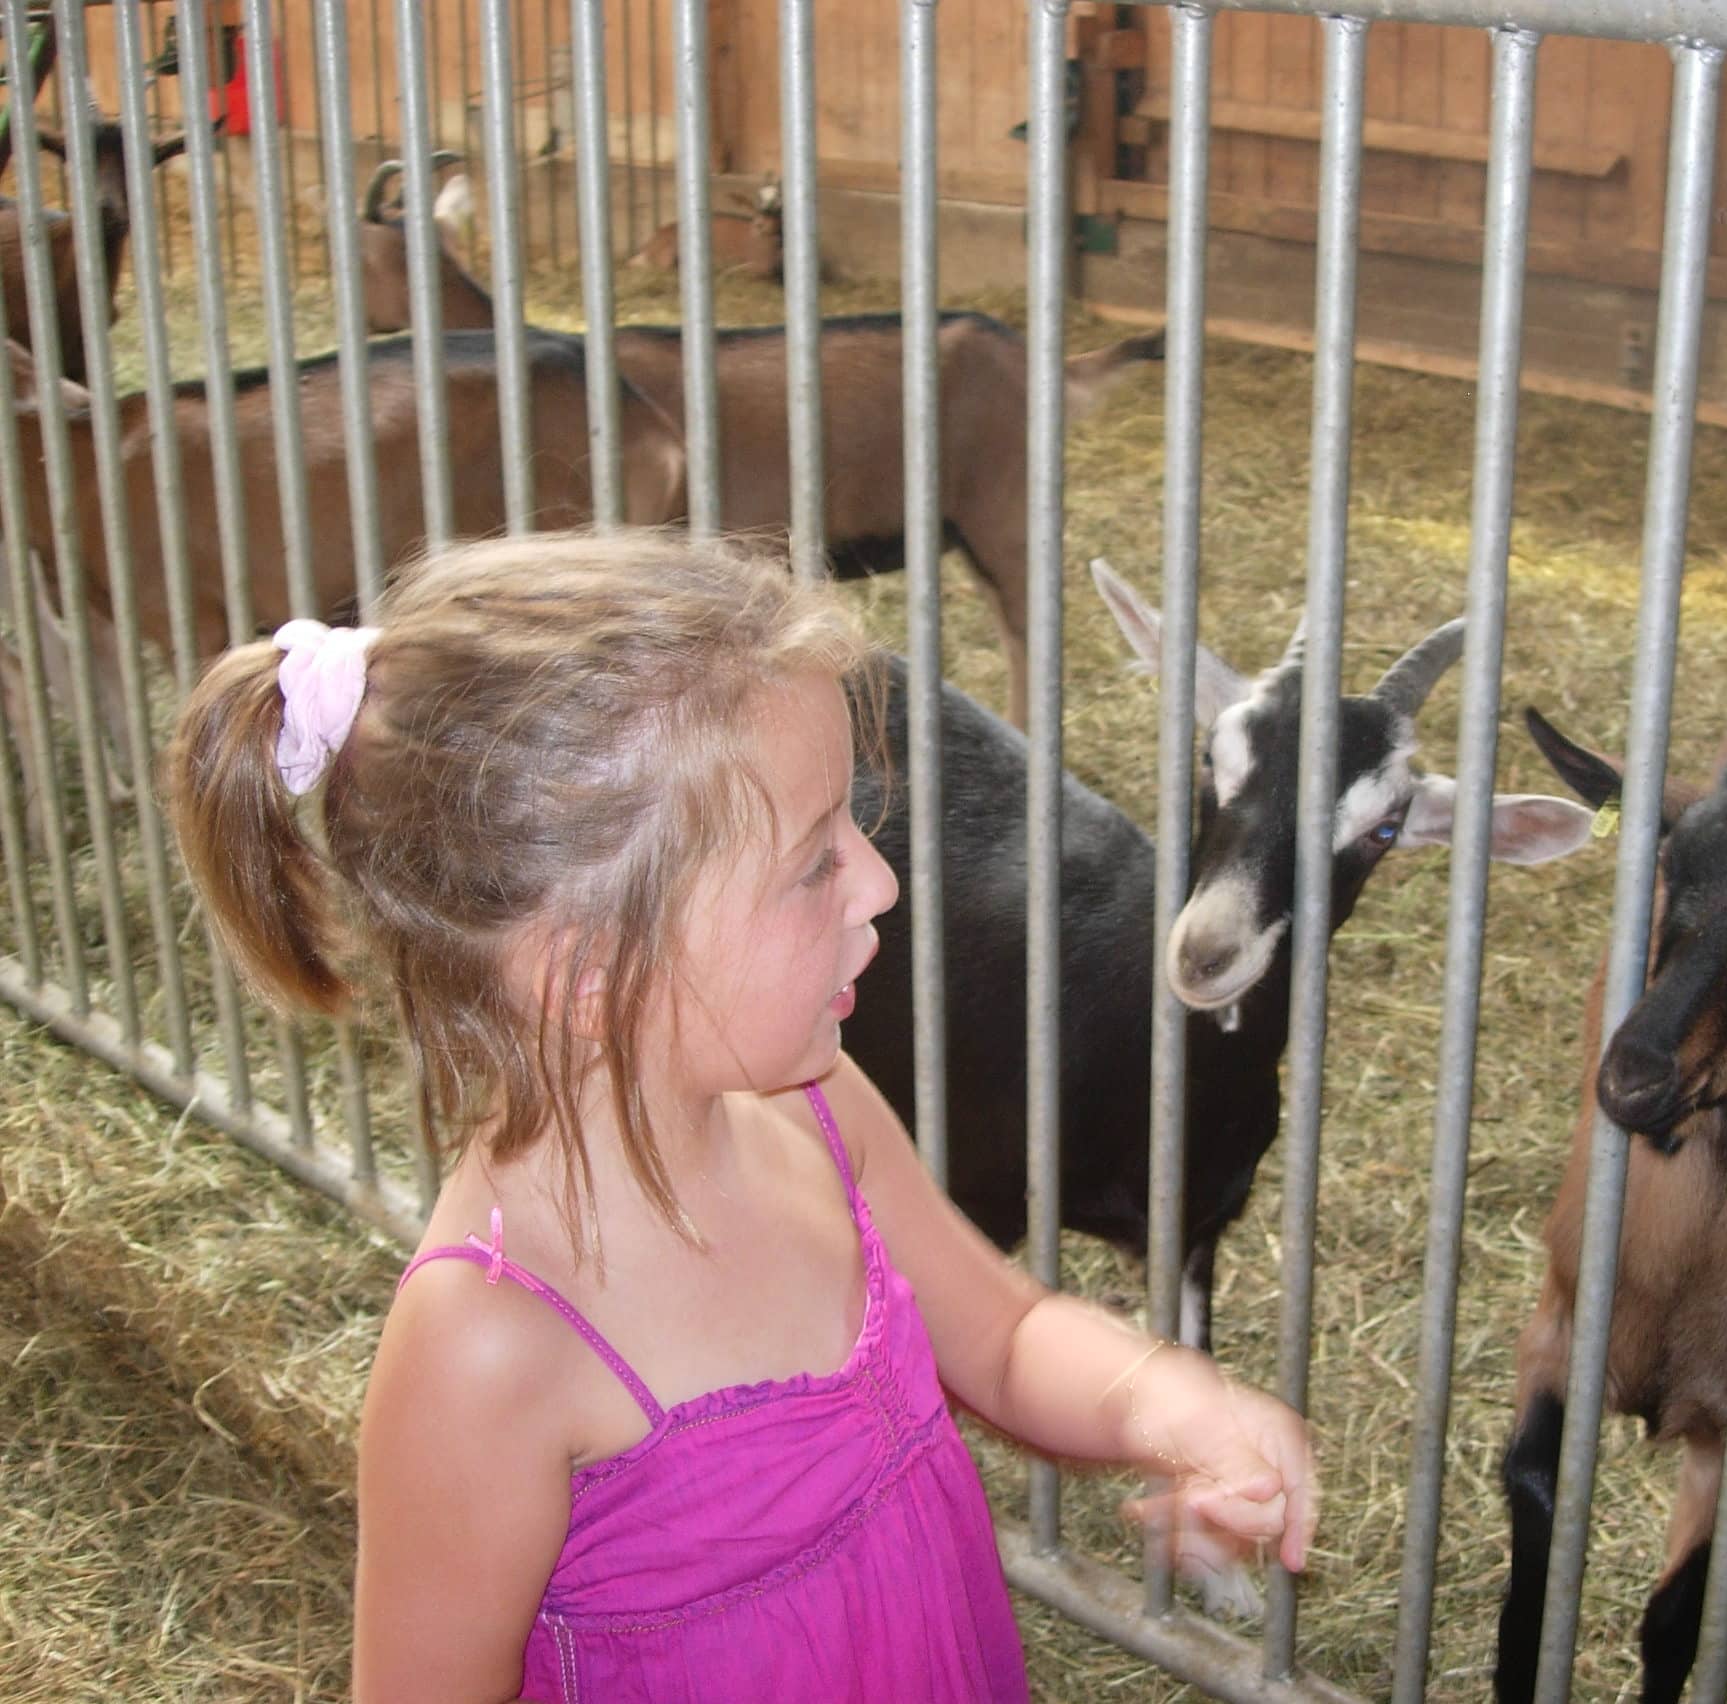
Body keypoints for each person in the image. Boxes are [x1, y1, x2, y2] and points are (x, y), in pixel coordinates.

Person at [165, 532, 1318, 1704]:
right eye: (814, 860)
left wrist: (1164, 1398)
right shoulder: (492, 1347)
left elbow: (1008, 1339)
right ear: (590, 973)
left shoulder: (813, 1111)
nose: (878, 882)